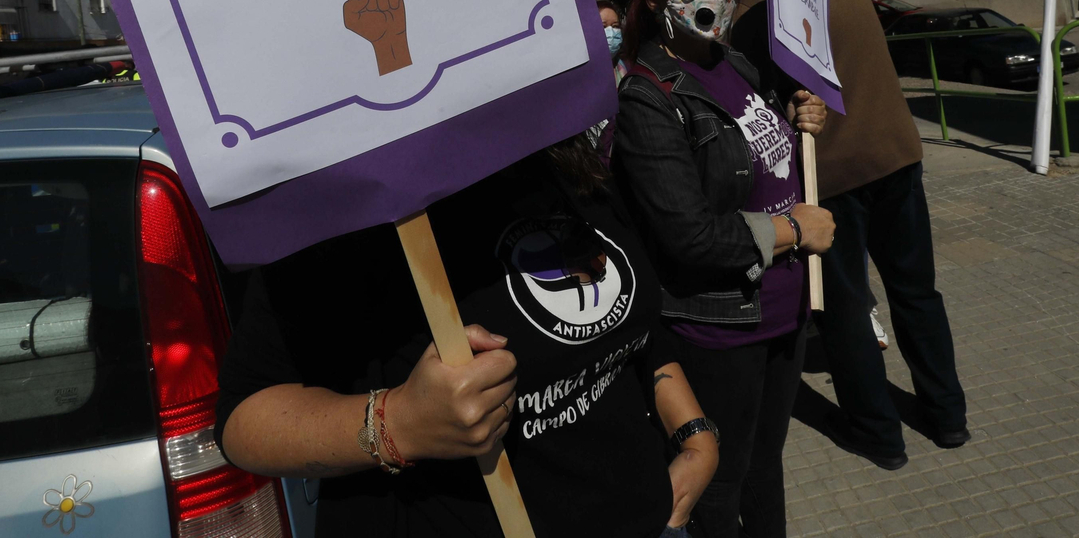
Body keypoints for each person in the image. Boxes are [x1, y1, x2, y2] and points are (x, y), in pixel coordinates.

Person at [215, 133, 720, 537]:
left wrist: (695, 436)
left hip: (656, 520)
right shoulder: (342, 205)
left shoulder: (558, 143)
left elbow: (634, 324)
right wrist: (399, 424)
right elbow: (243, 420)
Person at [609, 0, 835, 538]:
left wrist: (799, 114)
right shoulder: (647, 98)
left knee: (766, 466)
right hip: (723, 326)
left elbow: (761, 153)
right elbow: (691, 236)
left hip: (786, 309)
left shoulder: (736, 63)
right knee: (722, 483)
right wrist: (794, 230)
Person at [724, 0, 968, 472]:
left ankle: (878, 433)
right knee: (916, 293)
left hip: (830, 177)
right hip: (895, 154)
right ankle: (948, 415)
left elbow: (755, 104)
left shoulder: (752, 8)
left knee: (845, 309)